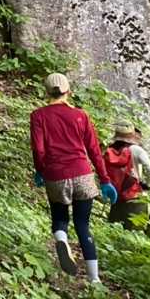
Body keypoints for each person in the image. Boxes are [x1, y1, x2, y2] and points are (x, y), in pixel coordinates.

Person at [30, 72, 117, 283]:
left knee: (60, 219)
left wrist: (41, 171)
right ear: (68, 91)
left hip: (56, 175)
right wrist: (105, 180)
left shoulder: (38, 116)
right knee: (83, 224)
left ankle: (62, 239)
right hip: (82, 174)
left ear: (46, 92)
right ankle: (94, 279)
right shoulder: (81, 115)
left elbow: (39, 150)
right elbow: (94, 150)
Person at [104, 122, 150, 229]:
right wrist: (147, 187)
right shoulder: (136, 150)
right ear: (132, 135)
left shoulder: (110, 150)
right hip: (135, 197)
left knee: (113, 231)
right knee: (134, 233)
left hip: (116, 197)